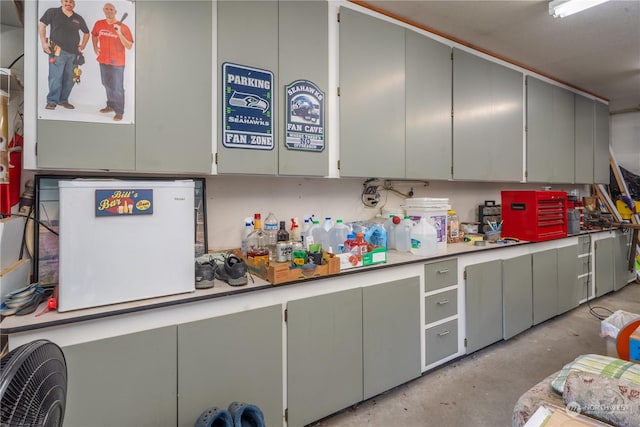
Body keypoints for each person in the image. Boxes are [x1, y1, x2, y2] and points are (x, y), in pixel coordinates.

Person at [39, 0, 90, 110]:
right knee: (55, 77)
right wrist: (43, 43)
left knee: (71, 78)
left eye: (71, 2)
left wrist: (82, 46)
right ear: (62, 2)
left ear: (74, 4)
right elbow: (42, 26)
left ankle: (63, 100)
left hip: (74, 54)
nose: (68, 3)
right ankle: (52, 101)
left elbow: (87, 33)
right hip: (57, 51)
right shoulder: (52, 12)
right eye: (66, 1)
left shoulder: (78, 18)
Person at [91, 3, 133, 122]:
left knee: (117, 87)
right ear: (103, 10)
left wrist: (119, 32)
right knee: (106, 83)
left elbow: (129, 45)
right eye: (106, 9)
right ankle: (110, 105)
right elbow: (94, 35)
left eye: (111, 9)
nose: (109, 11)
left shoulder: (123, 27)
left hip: (117, 62)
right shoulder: (99, 24)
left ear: (115, 12)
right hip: (103, 59)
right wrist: (95, 47)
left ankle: (119, 111)